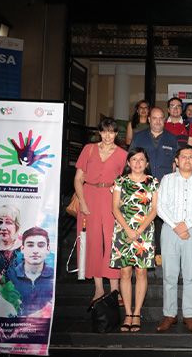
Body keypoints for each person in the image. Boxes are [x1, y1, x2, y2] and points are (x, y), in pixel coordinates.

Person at [156, 146, 192, 333]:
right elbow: (160, 207)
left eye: (191, 157)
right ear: (177, 160)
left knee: (190, 276)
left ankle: (189, 315)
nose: (187, 160)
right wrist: (176, 226)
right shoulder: (167, 179)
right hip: (170, 231)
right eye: (184, 157)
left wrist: (186, 225)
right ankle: (169, 315)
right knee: (170, 275)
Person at [74, 117, 127, 302]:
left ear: (116, 134)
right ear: (100, 132)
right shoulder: (88, 149)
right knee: (93, 242)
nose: (107, 136)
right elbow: (78, 178)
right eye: (104, 131)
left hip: (111, 198)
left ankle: (115, 288)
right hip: (88, 196)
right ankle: (98, 288)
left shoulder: (122, 154)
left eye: (111, 132)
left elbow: (124, 182)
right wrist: (82, 201)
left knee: (113, 242)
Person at [110, 148, 158, 332]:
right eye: (134, 159)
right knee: (125, 273)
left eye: (141, 160)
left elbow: (154, 210)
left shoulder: (153, 182)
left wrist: (139, 230)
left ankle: (137, 313)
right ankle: (127, 314)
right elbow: (115, 208)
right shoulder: (120, 181)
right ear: (128, 163)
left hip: (144, 232)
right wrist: (129, 230)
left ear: (147, 163)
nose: (138, 163)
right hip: (123, 231)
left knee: (141, 273)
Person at [130, 107, 179, 264]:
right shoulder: (138, 137)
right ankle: (142, 250)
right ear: (149, 119)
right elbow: (131, 159)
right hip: (142, 185)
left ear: (164, 120)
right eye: (154, 118)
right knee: (143, 217)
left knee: (161, 219)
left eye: (161, 118)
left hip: (164, 186)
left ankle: (159, 252)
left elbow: (175, 163)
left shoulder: (172, 139)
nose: (158, 121)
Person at [6, 227, 54, 316]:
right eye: (30, 245)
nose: (35, 251)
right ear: (22, 249)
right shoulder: (10, 275)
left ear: (48, 249)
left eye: (41, 245)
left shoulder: (54, 276)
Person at [0, 204, 23, 272]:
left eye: (8, 222)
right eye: (0, 222)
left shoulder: (24, 250)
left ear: (16, 226)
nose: (3, 228)